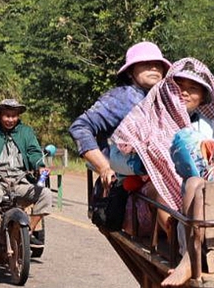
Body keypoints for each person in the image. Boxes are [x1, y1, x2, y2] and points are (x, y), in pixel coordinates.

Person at [116, 57, 214, 285]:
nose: (184, 93)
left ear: (203, 97)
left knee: (206, 188)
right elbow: (117, 156)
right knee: (161, 191)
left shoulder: (211, 126)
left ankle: (211, 246)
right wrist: (153, 164)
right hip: (158, 197)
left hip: (208, 194)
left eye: (192, 89)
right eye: (178, 87)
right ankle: (183, 248)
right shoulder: (148, 118)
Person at [69, 41, 171, 207]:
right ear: (131, 72)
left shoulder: (167, 99)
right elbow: (80, 127)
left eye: (158, 64)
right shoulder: (120, 99)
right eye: (146, 64)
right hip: (127, 180)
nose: (153, 68)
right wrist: (104, 167)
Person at [0, 99, 53, 253]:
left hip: (20, 180)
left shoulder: (26, 132)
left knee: (45, 194)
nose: (10, 119)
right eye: (6, 115)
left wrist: (40, 166)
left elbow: (34, 152)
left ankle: (28, 232)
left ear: (18, 116)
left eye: (14, 116)